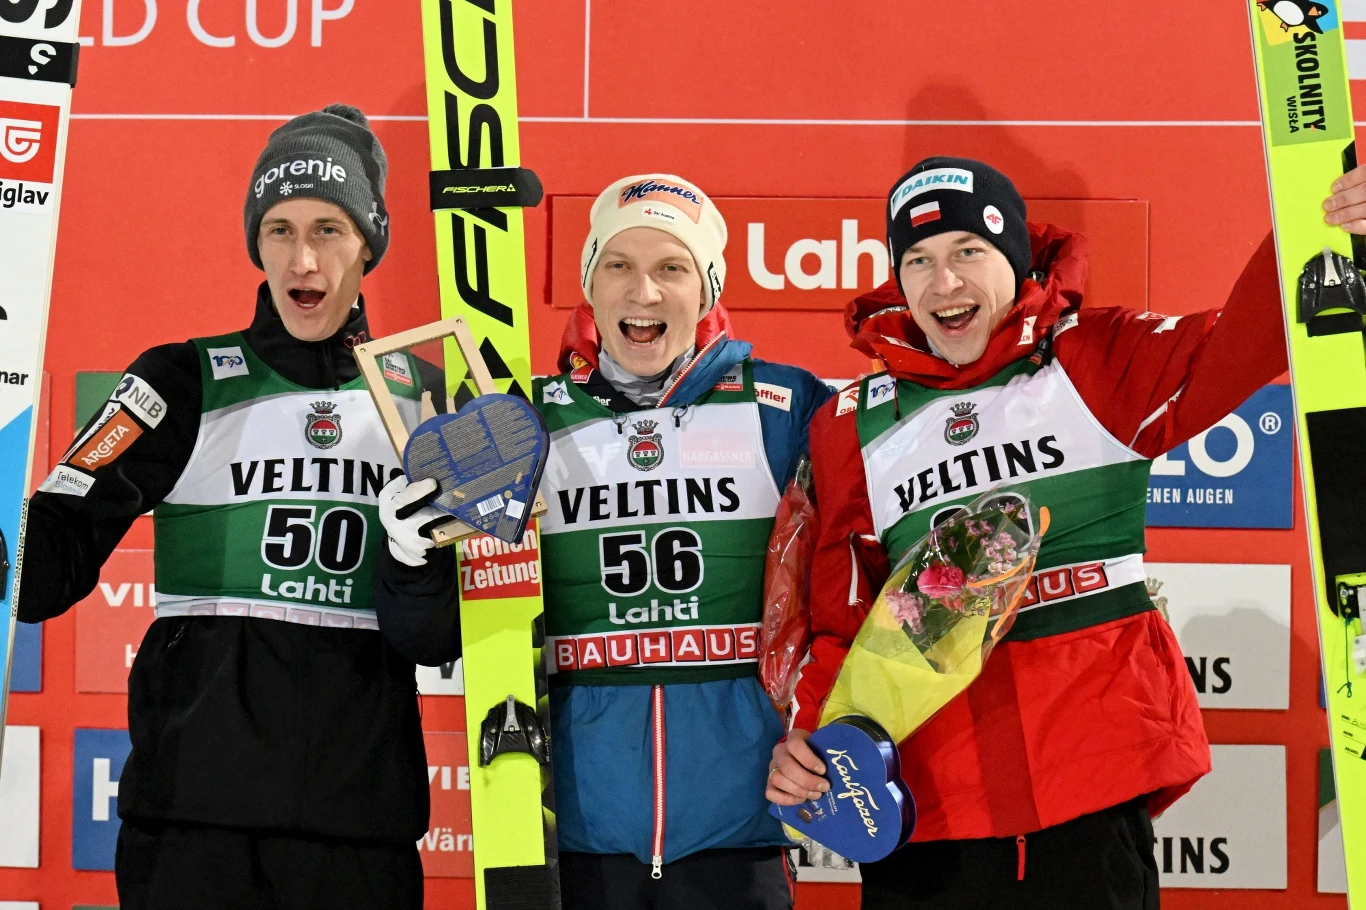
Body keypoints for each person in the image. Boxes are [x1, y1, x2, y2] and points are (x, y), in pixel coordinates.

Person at [765, 155, 1297, 910]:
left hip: (1090, 789)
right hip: (925, 811)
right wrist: (812, 741)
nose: (943, 283)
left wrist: (1328, 227)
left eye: (967, 252)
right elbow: (840, 620)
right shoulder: (851, 424)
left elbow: (1247, 338)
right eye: (918, 261)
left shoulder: (1090, 361)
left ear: (1014, 259)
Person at [19, 103, 458, 910]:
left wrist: (414, 557)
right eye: (280, 229)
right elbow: (49, 559)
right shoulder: (179, 381)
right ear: (257, 241)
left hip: (359, 827)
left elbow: (440, 637)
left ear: (369, 242)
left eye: (329, 230)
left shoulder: (427, 402)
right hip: (193, 824)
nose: (303, 257)